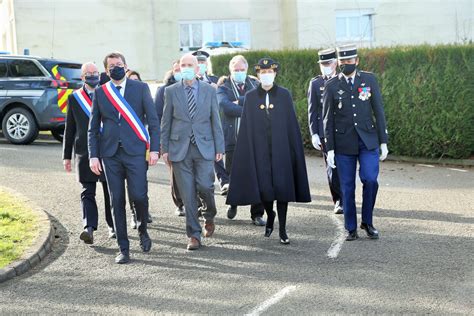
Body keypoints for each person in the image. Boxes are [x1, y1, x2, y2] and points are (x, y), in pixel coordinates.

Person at [226, 58, 311, 244]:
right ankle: (269, 214)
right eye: (262, 73)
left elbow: (291, 124)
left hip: (281, 150)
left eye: (269, 72)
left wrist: (293, 149)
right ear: (257, 75)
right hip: (260, 150)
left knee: (282, 190)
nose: (266, 75)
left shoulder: (284, 94)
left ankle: (283, 229)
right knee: (264, 189)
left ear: (275, 73)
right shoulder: (250, 97)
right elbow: (247, 125)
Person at [88, 52, 160, 264]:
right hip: (110, 155)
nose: (115, 68)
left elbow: (153, 121)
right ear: (106, 70)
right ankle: (123, 248)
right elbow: (92, 129)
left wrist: (154, 149)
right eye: (111, 66)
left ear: (126, 66)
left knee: (139, 196)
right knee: (116, 200)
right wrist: (94, 155)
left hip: (136, 152)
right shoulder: (101, 92)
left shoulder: (141, 88)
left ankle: (143, 229)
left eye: (119, 65)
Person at [322, 44, 389, 241]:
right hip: (343, 143)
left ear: (357, 61)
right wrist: (330, 149)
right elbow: (328, 119)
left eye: (349, 62)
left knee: (370, 179)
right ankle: (350, 227)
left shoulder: (368, 80)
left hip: (368, 140)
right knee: (347, 186)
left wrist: (383, 141)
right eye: (342, 62)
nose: (346, 65)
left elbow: (379, 110)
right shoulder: (332, 85)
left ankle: (367, 222)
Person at [161, 53, 225, 250]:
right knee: (188, 194)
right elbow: (166, 121)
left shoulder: (209, 90)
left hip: (204, 147)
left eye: (190, 65)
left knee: (205, 187)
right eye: (183, 65)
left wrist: (219, 147)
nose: (186, 67)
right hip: (179, 149)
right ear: (178, 68)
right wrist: (164, 148)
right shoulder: (171, 91)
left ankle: (210, 214)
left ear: (198, 69)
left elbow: (216, 119)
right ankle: (194, 235)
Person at [62, 62, 115, 244]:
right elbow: (70, 128)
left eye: (95, 72)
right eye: (88, 73)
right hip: (84, 153)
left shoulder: (108, 93)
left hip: (108, 151)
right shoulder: (74, 98)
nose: (93, 76)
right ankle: (89, 228)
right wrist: (66, 156)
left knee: (110, 192)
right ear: (82, 77)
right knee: (87, 192)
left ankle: (113, 225)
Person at [216, 55, 266, 226]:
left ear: (247, 70)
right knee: (234, 177)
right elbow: (226, 107)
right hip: (232, 139)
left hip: (255, 140)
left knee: (258, 177)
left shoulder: (256, 85)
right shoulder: (223, 87)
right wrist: (249, 107)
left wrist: (241, 101)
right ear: (230, 71)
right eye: (235, 70)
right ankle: (233, 203)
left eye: (241, 70)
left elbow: (262, 104)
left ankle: (257, 214)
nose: (239, 72)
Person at [308, 48, 344, 215]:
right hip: (324, 132)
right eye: (322, 64)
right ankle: (338, 200)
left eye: (328, 63)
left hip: (344, 131)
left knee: (344, 166)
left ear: (335, 63)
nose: (325, 66)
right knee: (332, 167)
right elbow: (312, 110)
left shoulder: (342, 80)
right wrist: (314, 133)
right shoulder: (315, 83)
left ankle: (346, 198)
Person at [192, 50, 229, 195]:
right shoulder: (189, 80)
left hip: (213, 122)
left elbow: (222, 100)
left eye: (203, 62)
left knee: (217, 152)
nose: (201, 65)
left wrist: (216, 89)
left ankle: (224, 181)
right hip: (197, 125)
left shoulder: (215, 80)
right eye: (198, 62)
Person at [154, 60, 185, 217]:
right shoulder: (164, 90)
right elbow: (158, 117)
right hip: (173, 139)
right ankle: (180, 203)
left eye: (183, 68)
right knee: (176, 173)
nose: (180, 71)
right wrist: (161, 143)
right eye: (177, 69)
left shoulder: (196, 87)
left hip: (192, 139)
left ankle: (195, 203)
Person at [125, 68, 154, 227]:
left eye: (137, 80)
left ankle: (144, 209)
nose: (135, 83)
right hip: (126, 148)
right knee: (131, 182)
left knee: (141, 181)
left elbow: (151, 119)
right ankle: (133, 212)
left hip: (142, 145)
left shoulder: (143, 95)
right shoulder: (121, 98)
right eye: (132, 80)